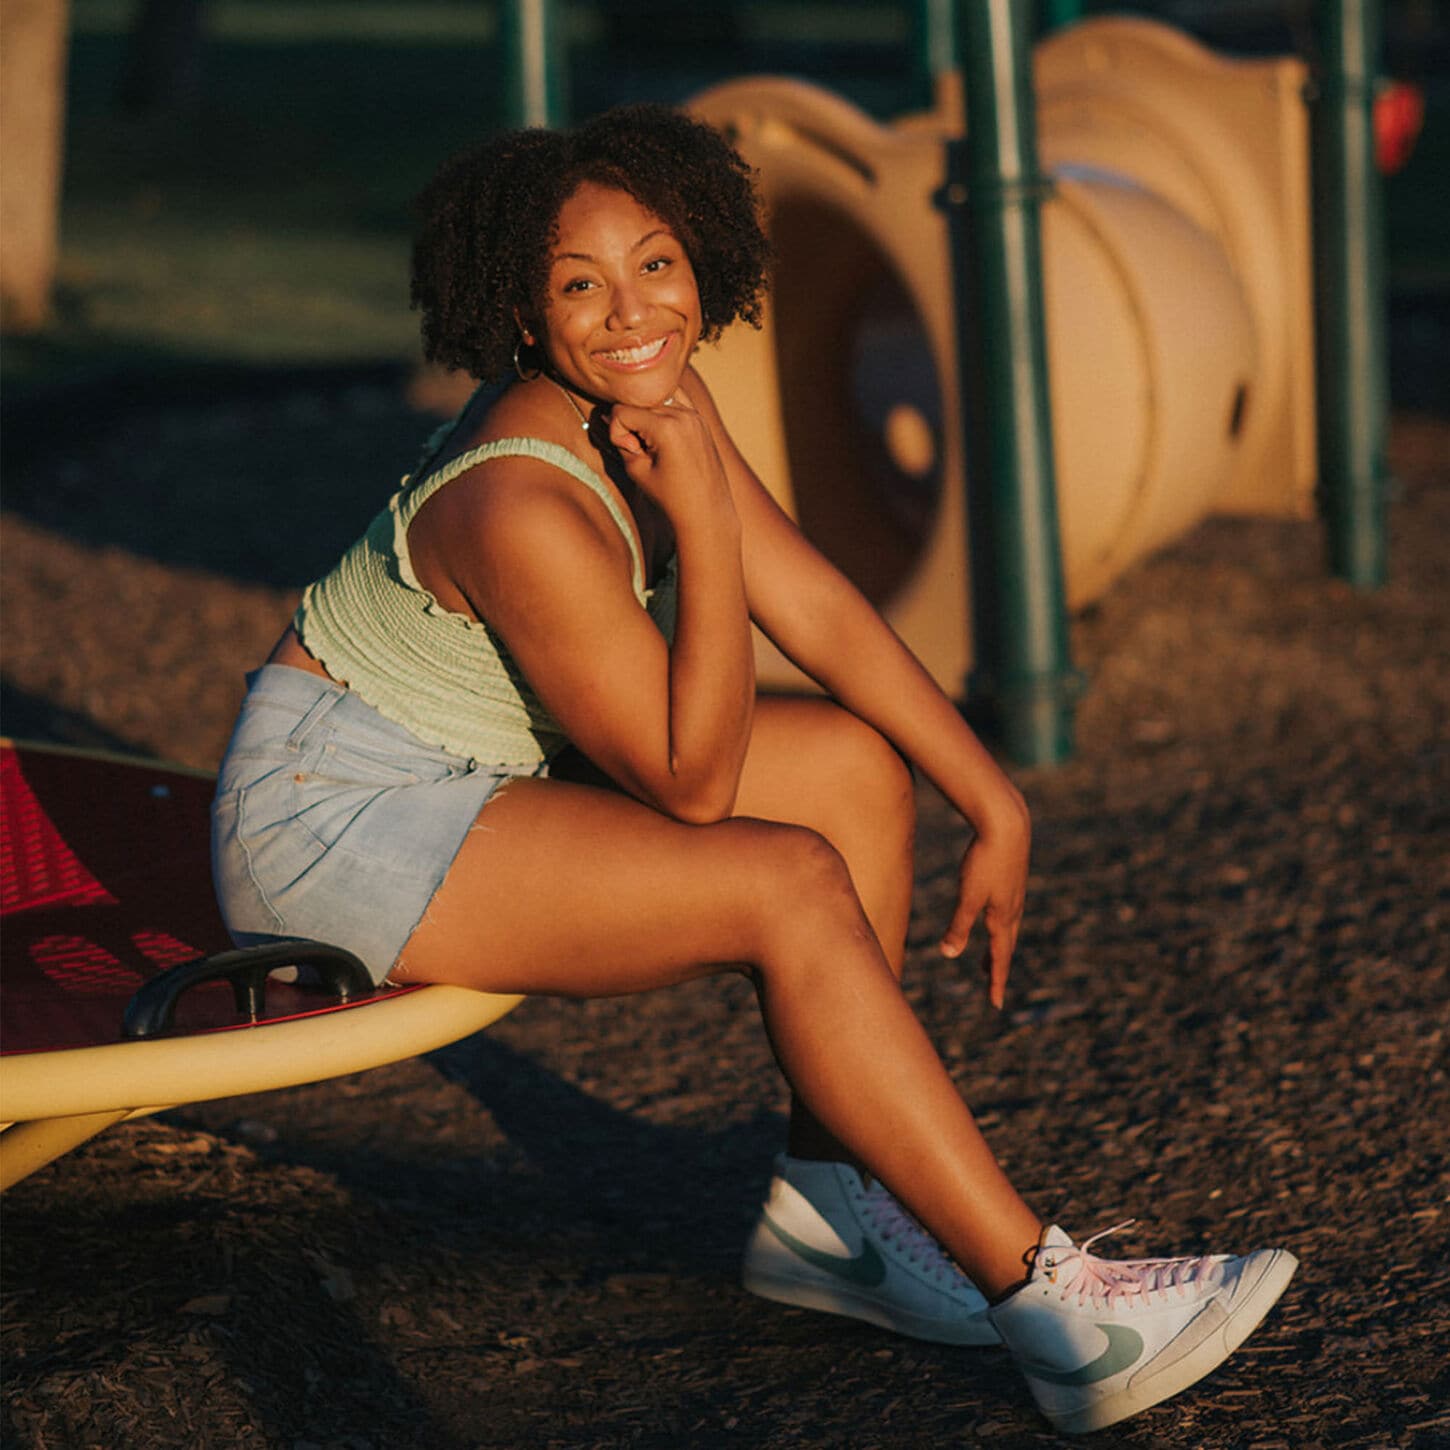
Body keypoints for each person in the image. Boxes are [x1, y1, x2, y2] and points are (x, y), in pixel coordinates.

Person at [211, 104, 1296, 1436]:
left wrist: (990, 792)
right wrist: (704, 526)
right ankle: (1058, 1309)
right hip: (332, 817)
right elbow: (690, 782)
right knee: (781, 880)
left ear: (702, 255)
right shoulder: (517, 502)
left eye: (655, 262)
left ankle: (833, 1211)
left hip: (460, 770)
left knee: (848, 767)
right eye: (577, 285)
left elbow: (822, 610)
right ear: (516, 307)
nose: (630, 311)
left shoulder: (658, 396)